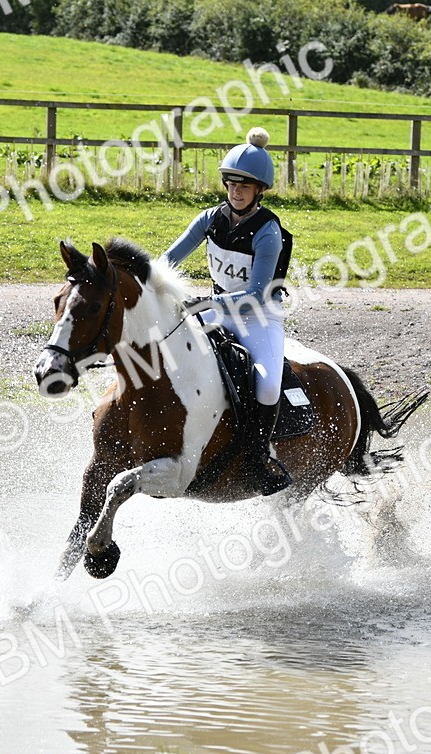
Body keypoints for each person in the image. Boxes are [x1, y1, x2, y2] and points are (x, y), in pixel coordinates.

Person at [162, 127, 293, 496]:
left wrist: (203, 303)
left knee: (267, 384)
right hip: (215, 309)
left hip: (258, 316)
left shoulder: (268, 233)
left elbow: (253, 294)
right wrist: (147, 281)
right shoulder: (209, 219)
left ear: (259, 191)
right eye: (232, 184)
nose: (236, 192)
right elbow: (169, 260)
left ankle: (257, 458)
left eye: (245, 186)